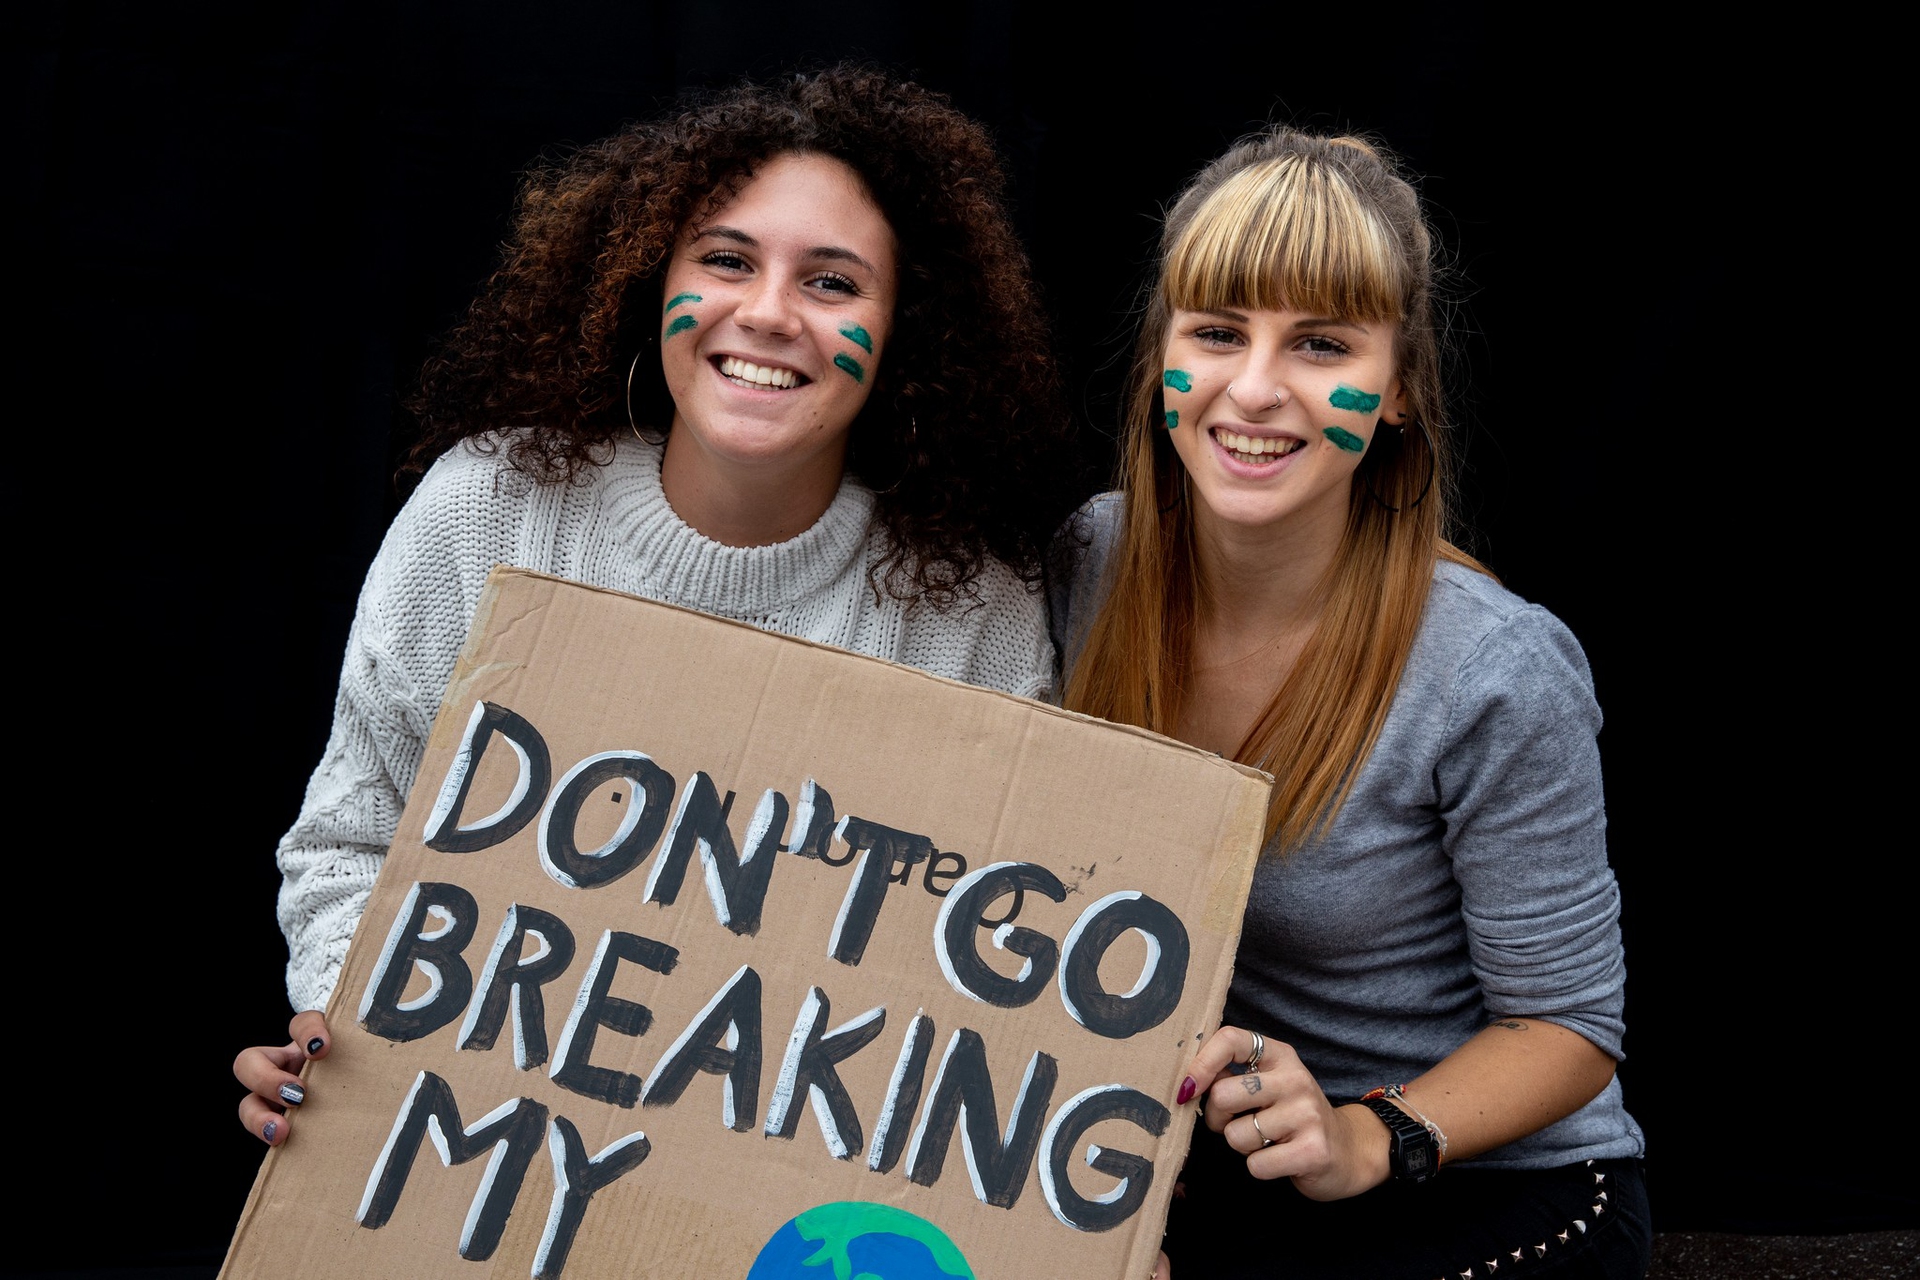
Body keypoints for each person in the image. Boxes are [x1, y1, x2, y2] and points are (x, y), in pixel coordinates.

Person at [233, 66, 1078, 1148]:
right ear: (649, 278)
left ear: (908, 328)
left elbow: (983, 976)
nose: (766, 313)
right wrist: (351, 1034)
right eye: (726, 260)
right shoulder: (487, 509)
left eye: (832, 283)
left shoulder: (973, 606)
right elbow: (351, 845)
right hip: (471, 1146)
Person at [1052, 128, 1650, 1279]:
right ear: (1161, 358)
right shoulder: (1089, 562)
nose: (1255, 386)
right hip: (1233, 1162)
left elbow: (1571, 1030)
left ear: (1399, 392)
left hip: (1476, 1175)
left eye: (1322, 343)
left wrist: (1372, 1134)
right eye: (1217, 331)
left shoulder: (1496, 666)